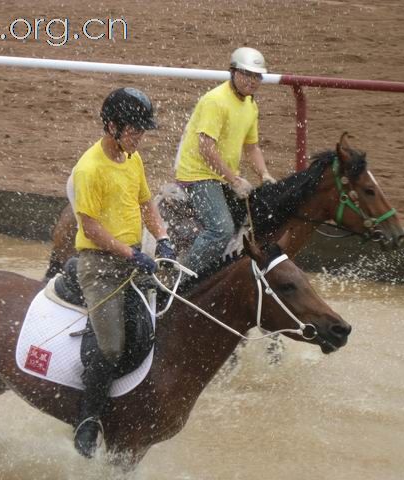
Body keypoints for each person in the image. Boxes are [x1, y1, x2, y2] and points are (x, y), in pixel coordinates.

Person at [70, 87, 176, 458]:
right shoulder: (89, 168)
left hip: (133, 259)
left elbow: (146, 202)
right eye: (135, 130)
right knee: (112, 345)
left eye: (142, 132)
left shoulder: (133, 158)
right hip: (100, 267)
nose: (140, 138)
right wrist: (131, 253)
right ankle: (88, 418)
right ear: (112, 126)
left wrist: (162, 237)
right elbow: (92, 227)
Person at [174, 47, 276, 273]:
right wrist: (234, 180)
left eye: (257, 76)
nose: (252, 81)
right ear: (233, 72)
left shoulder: (251, 105)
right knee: (221, 228)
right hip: (198, 175)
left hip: (221, 176)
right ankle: (181, 278)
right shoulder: (215, 101)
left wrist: (264, 174)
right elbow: (205, 147)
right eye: (247, 74)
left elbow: (252, 146)